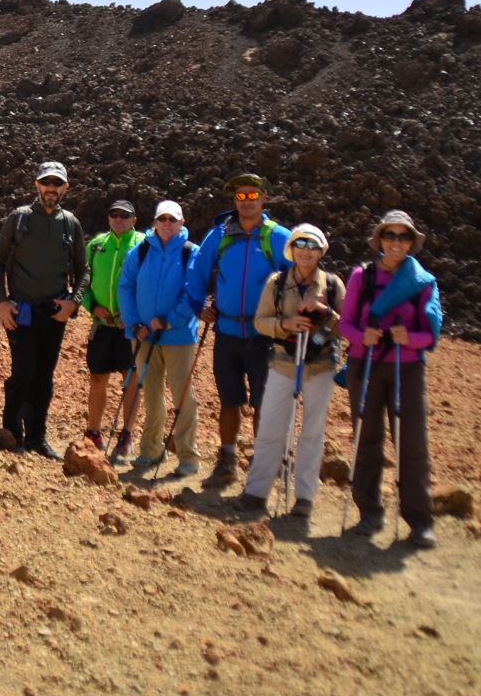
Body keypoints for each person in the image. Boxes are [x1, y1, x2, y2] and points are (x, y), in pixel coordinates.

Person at [338, 210, 443, 548]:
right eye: (390, 235)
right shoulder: (361, 276)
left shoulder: (423, 281)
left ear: (411, 243)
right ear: (380, 239)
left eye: (404, 237)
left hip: (406, 368)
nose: (396, 242)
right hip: (364, 364)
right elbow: (345, 324)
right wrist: (360, 336)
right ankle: (369, 511)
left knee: (412, 444)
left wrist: (408, 338)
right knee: (367, 438)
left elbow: (430, 333)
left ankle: (420, 520)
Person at [188, 173, 292, 485]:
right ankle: (228, 462)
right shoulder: (219, 235)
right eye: (241, 196)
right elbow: (197, 270)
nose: (246, 201)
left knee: (264, 404)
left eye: (253, 195)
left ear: (264, 198)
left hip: (266, 336)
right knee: (230, 401)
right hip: (228, 332)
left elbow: (300, 277)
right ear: (235, 200)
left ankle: (263, 467)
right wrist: (198, 306)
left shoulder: (278, 237)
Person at [239, 223, 346, 517]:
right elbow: (261, 322)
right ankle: (257, 491)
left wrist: (328, 314)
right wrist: (284, 325)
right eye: (301, 245)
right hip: (284, 362)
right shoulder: (276, 282)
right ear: (292, 249)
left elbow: (347, 327)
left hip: (321, 365)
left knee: (312, 432)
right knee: (271, 428)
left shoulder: (333, 285)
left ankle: (305, 498)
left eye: (313, 246)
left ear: (321, 251)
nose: (306, 251)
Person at [0, 162, 87, 459]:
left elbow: (83, 270)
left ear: (65, 188)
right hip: (22, 313)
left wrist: (74, 301)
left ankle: (37, 437)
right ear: (36, 185)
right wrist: (2, 302)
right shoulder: (20, 219)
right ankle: (12, 434)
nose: (51, 188)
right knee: (22, 373)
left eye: (57, 183)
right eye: (46, 182)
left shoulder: (70, 223)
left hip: (54, 315)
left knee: (44, 377)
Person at [118, 200, 202, 474]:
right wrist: (134, 323)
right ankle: (151, 450)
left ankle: (188, 456)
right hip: (143, 335)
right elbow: (126, 286)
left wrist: (168, 321)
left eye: (172, 219)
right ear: (155, 222)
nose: (167, 224)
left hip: (178, 337)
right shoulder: (140, 252)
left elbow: (194, 294)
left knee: (182, 396)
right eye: (162, 219)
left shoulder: (192, 254)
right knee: (152, 394)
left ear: (181, 223)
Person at [81, 199, 144, 455]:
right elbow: (82, 280)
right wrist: (91, 307)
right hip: (103, 325)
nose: (119, 219)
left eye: (124, 215)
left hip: (130, 328)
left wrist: (130, 314)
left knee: (131, 380)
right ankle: (93, 432)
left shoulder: (143, 245)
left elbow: (149, 284)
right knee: (97, 377)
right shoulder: (96, 246)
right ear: (108, 218)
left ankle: (126, 435)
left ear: (134, 220)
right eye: (114, 214)